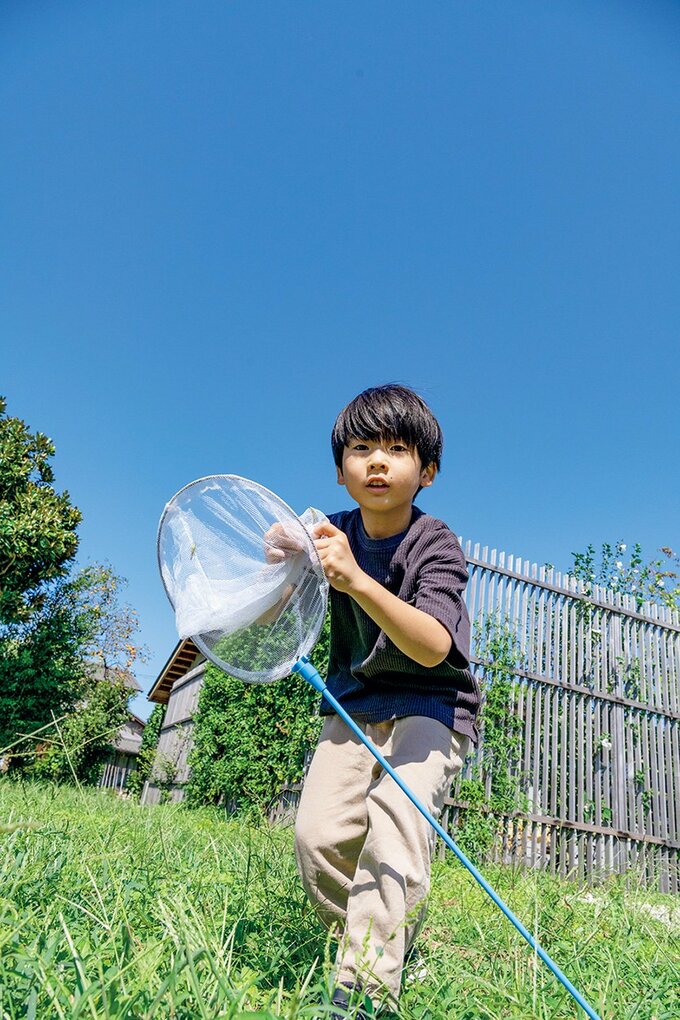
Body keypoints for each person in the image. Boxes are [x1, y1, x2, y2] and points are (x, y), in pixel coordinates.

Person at [294, 383, 480, 1018]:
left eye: (397, 449)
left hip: (432, 704)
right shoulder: (329, 534)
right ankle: (367, 936)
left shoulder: (437, 544)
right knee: (319, 837)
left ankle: (363, 990)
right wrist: (277, 560)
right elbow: (273, 606)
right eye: (361, 447)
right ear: (341, 471)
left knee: (395, 829)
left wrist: (356, 579)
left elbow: (432, 646)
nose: (378, 460)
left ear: (426, 472)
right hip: (353, 700)